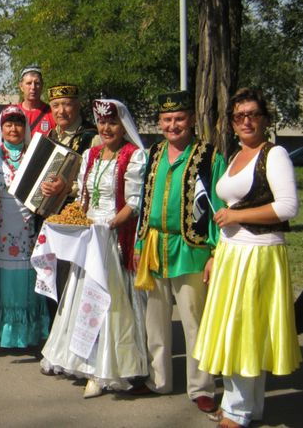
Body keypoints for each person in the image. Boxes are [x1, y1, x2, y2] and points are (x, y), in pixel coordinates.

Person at [194, 88, 301, 428]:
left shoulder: (275, 154)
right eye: (239, 116)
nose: (246, 121)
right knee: (241, 331)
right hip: (231, 252)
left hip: (257, 254)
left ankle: (237, 410)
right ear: (232, 123)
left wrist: (239, 216)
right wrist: (216, 252)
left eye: (253, 114)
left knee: (242, 330)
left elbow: (288, 206)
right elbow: (225, 211)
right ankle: (247, 407)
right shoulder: (236, 153)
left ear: (265, 119)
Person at [41, 99, 147, 398]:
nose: (106, 128)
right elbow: (83, 195)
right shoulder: (91, 154)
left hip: (111, 236)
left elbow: (134, 203)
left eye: (112, 122)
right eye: (102, 123)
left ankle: (105, 368)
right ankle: (80, 358)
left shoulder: (134, 156)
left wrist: (109, 226)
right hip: (89, 235)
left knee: (107, 300)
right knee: (80, 297)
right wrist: (74, 219)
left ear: (123, 125)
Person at [132, 90, 225, 413]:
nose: (173, 125)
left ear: (191, 121)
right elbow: (145, 201)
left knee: (194, 320)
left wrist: (216, 252)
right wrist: (140, 242)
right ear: (159, 122)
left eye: (179, 119)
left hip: (192, 248)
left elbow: (219, 205)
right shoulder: (155, 152)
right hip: (155, 245)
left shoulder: (210, 157)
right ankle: (158, 379)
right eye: (167, 120)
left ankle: (201, 387)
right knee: (155, 319)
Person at [0, 105, 49, 348]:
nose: (13, 129)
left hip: (26, 229)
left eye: (18, 123)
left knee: (23, 281)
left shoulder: (35, 156)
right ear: (1, 128)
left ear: (26, 128)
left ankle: (24, 335)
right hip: (0, 227)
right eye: (8, 124)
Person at [40, 84, 100, 313]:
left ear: (77, 106)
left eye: (66, 104)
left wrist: (69, 188)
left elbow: (96, 180)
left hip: (77, 218)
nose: (61, 111)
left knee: (74, 279)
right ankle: (54, 334)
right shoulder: (48, 136)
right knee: (50, 277)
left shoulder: (91, 137)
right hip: (48, 217)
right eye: (55, 105)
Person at [16, 66, 55, 136]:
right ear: (21, 86)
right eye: (29, 83)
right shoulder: (11, 113)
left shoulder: (52, 113)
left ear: (42, 86)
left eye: (37, 83)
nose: (33, 87)